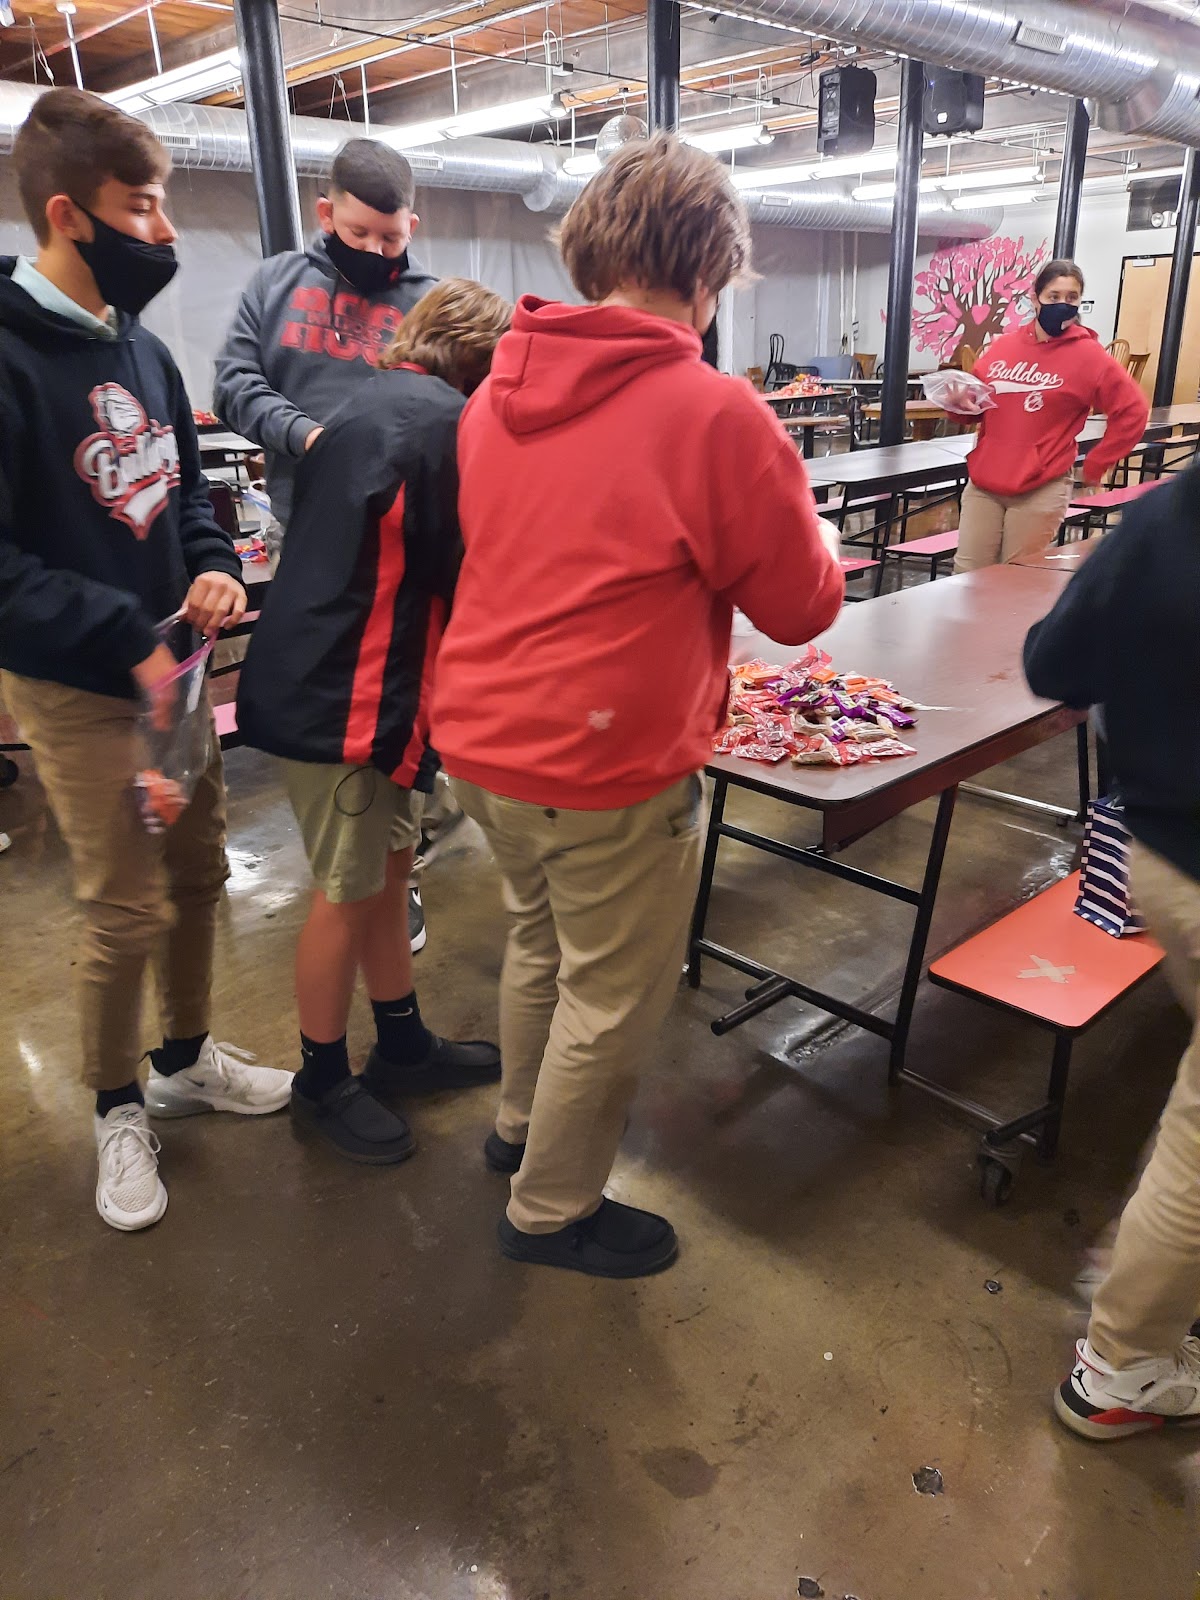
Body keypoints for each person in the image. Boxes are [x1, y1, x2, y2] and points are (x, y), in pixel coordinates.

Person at [430, 134, 844, 1280]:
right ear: (710, 268)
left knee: (539, 941)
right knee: (611, 995)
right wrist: (810, 527)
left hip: (482, 738)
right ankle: (551, 1207)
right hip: (603, 763)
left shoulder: (495, 394)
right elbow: (801, 605)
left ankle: (519, 1128)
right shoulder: (712, 411)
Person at [0, 88, 292, 1233]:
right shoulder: (9, 359)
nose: (166, 232)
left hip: (173, 674)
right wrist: (121, 630)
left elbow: (189, 501)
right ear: (68, 216)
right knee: (123, 908)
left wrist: (213, 567)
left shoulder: (144, 351)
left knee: (199, 872)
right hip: (78, 689)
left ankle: (183, 1057)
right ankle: (116, 1105)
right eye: (144, 206)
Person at [235, 279, 511, 1164]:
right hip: (347, 695)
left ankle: (401, 1041)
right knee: (347, 889)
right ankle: (321, 1076)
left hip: (344, 676)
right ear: (481, 358)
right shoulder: (443, 424)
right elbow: (467, 568)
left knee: (389, 871)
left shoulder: (369, 404)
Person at [214, 139, 442, 952]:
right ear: (325, 214)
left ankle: (401, 867)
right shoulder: (277, 285)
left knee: (405, 704)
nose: (377, 250)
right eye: (359, 234)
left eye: (392, 237)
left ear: (413, 226)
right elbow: (234, 384)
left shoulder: (427, 299)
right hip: (307, 533)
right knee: (332, 716)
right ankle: (350, 873)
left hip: (410, 542)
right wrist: (310, 439)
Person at [1023, 464, 1200, 1438]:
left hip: (1160, 857)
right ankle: (1126, 1362)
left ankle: (1146, 1282)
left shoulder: (1172, 507)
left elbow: (1055, 664)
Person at [952, 260, 1148, 574]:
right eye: (1053, 296)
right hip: (985, 484)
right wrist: (956, 404)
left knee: (1015, 580)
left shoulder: (1090, 356)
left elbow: (1133, 410)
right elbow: (972, 407)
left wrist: (1097, 463)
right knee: (965, 577)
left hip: (1041, 486)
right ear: (1035, 298)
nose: (1062, 304)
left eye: (1071, 297)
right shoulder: (1003, 347)